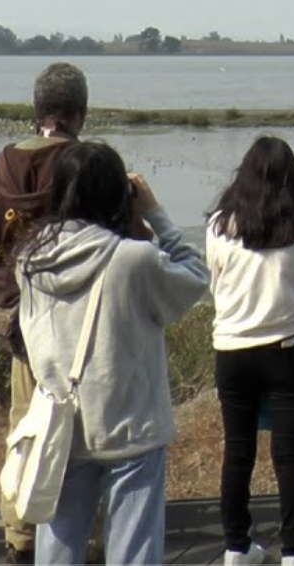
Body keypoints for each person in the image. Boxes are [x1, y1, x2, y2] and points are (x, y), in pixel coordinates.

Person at [16, 142, 209, 565]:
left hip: (63, 422)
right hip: (131, 424)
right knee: (133, 550)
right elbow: (196, 276)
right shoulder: (132, 259)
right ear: (115, 195)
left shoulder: (30, 261)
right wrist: (155, 214)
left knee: (59, 543)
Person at [0, 63, 108, 565]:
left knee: (26, 427)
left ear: (37, 112)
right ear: (80, 112)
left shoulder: (7, 163)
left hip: (20, 319)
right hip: (82, 321)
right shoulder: (91, 163)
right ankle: (85, 540)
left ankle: (21, 537)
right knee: (84, 436)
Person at [206, 136, 294, 566]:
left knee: (237, 451)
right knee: (288, 455)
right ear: (291, 177)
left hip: (232, 350)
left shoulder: (219, 225)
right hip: (287, 348)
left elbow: (214, 283)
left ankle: (236, 547)